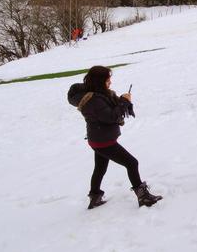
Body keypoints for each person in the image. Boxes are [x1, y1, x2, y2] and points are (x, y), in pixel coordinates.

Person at [67, 66, 162, 209]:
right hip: (104, 142)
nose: (110, 82)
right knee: (132, 163)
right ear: (100, 81)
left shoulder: (97, 94)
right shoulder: (93, 100)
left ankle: (95, 197)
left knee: (100, 168)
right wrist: (123, 102)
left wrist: (123, 100)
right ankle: (143, 197)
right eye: (108, 79)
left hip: (97, 139)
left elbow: (108, 109)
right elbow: (112, 117)